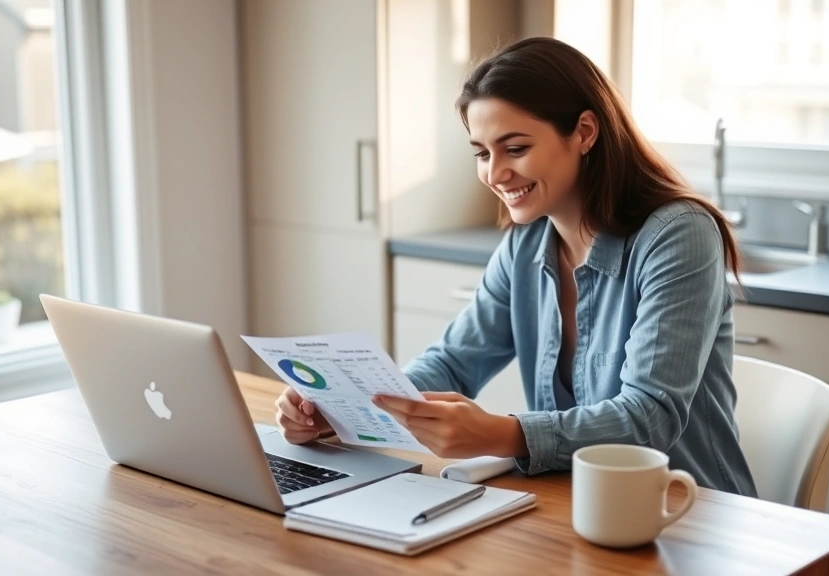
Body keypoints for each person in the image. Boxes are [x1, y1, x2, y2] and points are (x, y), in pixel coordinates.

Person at [274, 37, 756, 496]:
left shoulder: (677, 234)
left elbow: (648, 418)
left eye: (516, 148)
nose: (495, 173)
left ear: (584, 132)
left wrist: (502, 434)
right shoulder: (525, 246)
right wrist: (341, 410)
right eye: (482, 153)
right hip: (572, 503)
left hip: (689, 512)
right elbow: (453, 363)